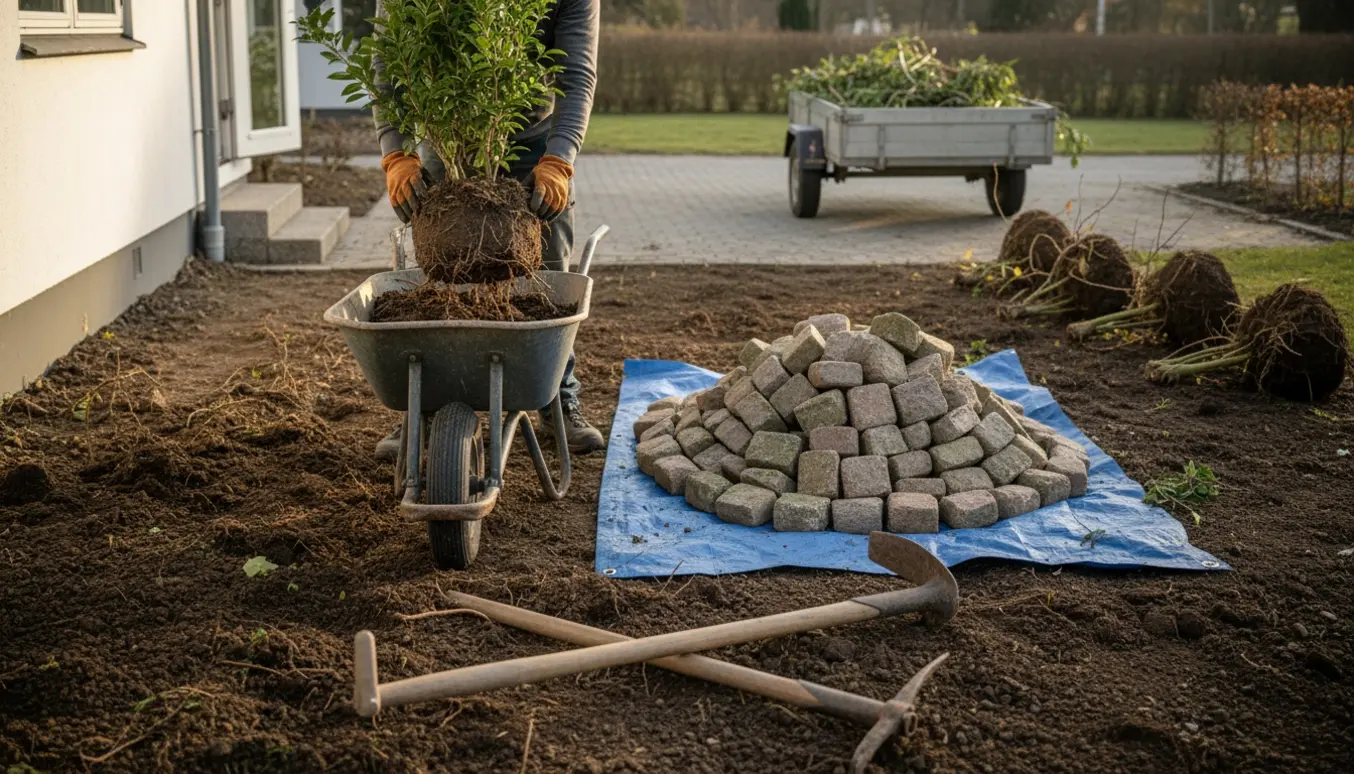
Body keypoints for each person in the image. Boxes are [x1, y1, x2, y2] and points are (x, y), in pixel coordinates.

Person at [371, 0, 605, 461]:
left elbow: (577, 74)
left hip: (530, 139)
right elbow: (388, 64)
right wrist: (396, 151)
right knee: (439, 264)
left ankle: (556, 392)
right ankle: (424, 406)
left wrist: (559, 160)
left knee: (549, 265)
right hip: (449, 134)